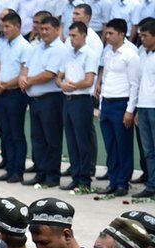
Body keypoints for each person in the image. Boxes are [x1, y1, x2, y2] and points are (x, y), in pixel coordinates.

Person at [21, 15, 67, 188]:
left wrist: (28, 81)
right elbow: (26, 65)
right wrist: (22, 76)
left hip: (51, 98)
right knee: (38, 138)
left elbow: (50, 74)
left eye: (47, 29)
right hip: (35, 99)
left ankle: (52, 176)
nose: (44, 32)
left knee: (51, 139)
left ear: (56, 30)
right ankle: (40, 172)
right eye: (42, 29)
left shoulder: (59, 49)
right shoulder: (37, 47)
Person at [96, 18, 140, 196]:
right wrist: (100, 106)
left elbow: (134, 84)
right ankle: (113, 180)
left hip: (122, 103)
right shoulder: (108, 52)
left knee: (123, 146)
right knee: (110, 145)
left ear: (122, 34)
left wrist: (130, 110)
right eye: (106, 33)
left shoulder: (131, 54)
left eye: (111, 33)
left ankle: (123, 182)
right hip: (107, 102)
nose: (107, 36)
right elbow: (105, 81)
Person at [59, 22, 101, 191]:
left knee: (83, 141)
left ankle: (85, 179)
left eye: (75, 35)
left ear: (84, 36)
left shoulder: (89, 54)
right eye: (70, 35)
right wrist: (61, 84)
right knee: (71, 140)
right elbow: (59, 76)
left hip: (82, 100)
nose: (71, 39)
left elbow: (89, 80)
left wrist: (72, 86)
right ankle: (75, 176)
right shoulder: (68, 53)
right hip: (68, 99)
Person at [0, 10, 31, 183]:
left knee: (16, 133)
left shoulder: (24, 46)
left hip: (15, 93)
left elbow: (24, 73)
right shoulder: (2, 44)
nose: (5, 29)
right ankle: (9, 167)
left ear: (17, 26)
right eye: (3, 26)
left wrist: (5, 85)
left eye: (8, 26)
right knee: (5, 132)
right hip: (1, 92)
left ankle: (18, 170)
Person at [134, 20, 155, 199]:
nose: (141, 38)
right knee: (148, 150)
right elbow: (137, 82)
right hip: (143, 106)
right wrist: (135, 110)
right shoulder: (141, 52)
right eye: (140, 35)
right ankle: (151, 184)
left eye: (145, 36)